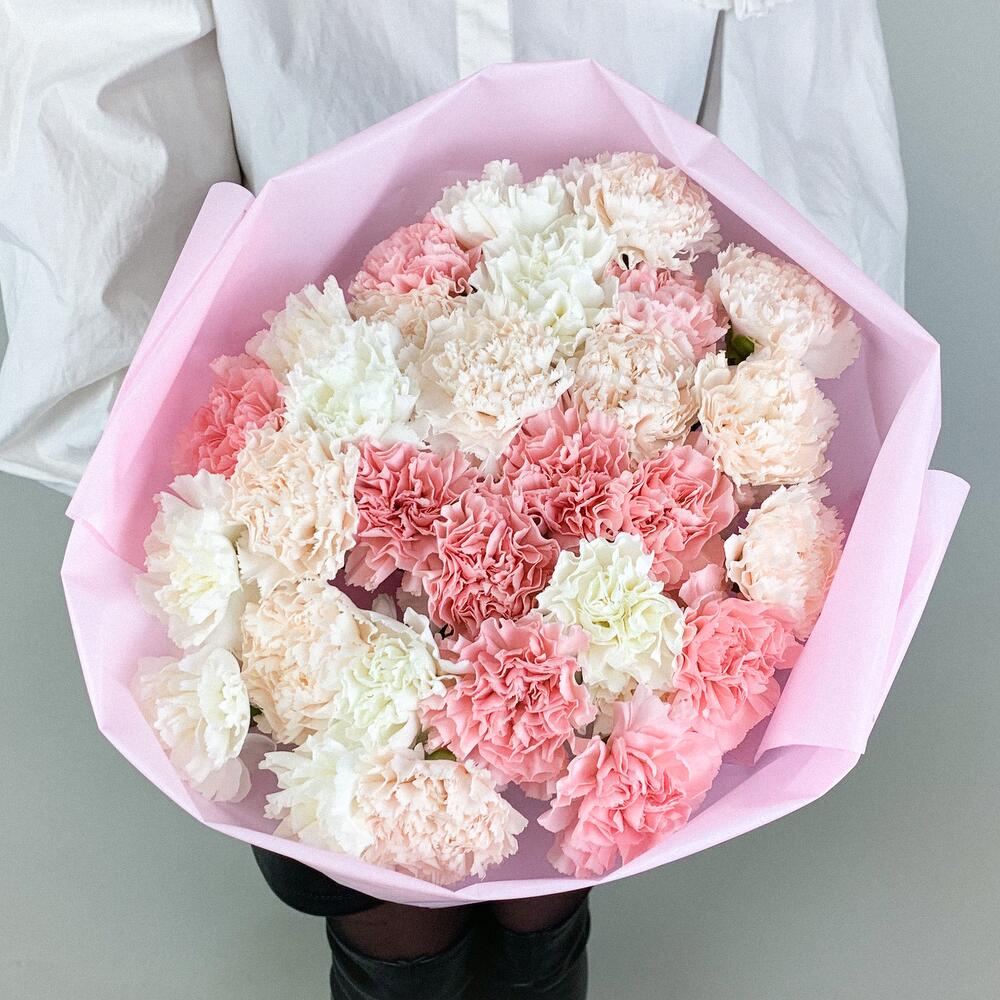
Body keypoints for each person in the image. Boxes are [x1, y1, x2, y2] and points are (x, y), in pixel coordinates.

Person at [0, 2, 907, 997]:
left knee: (570, 761)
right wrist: (144, 396)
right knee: (359, 800)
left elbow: (796, 56)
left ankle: (537, 946)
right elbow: (98, 55)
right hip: (322, 349)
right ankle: (409, 962)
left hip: (627, 330)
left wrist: (784, 365)